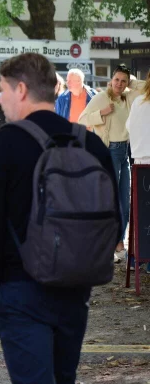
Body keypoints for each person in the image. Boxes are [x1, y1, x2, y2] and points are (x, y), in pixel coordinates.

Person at [0, 53, 119, 384]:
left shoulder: (2, 144)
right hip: (75, 288)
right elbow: (114, 220)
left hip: (19, 288)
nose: (0, 97)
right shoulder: (90, 143)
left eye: (3, 89)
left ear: (21, 89)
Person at [78, 64, 142, 261]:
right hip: (109, 152)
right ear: (110, 80)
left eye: (123, 81)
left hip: (125, 153)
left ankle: (117, 241)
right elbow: (82, 119)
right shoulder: (101, 98)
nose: (119, 84)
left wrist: (130, 81)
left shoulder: (128, 96)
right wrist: (101, 113)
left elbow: (145, 88)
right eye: (116, 80)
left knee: (125, 201)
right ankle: (113, 243)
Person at [128, 77, 150, 273]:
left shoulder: (138, 102)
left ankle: (140, 257)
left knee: (142, 212)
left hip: (141, 161)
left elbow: (129, 127)